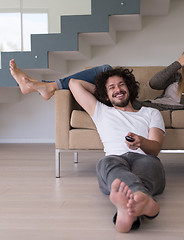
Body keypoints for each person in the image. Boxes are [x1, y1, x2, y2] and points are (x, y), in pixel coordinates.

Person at [68, 67, 166, 233]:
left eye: (121, 85)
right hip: (115, 158)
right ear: (105, 95)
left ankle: (126, 211)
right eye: (112, 87)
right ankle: (143, 202)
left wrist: (141, 142)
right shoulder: (100, 110)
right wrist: (102, 93)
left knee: (149, 164)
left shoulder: (151, 113)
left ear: (129, 88)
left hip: (145, 158)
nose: (118, 90)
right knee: (106, 163)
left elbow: (155, 148)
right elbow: (73, 83)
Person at [9, 45, 184, 111]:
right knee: (104, 69)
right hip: (139, 104)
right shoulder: (176, 77)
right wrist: (178, 62)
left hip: (141, 110)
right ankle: (48, 87)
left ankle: (46, 87)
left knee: (97, 73)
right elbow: (154, 83)